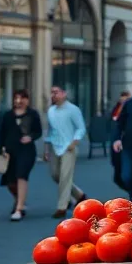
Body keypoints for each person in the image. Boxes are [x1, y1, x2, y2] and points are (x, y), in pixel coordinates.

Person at [0, 90, 42, 220]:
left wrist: (31, 137)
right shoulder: (6, 115)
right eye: (16, 98)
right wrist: (0, 149)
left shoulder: (32, 114)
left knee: (21, 175)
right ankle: (19, 199)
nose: (19, 101)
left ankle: (19, 208)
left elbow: (38, 131)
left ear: (27, 100)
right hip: (10, 152)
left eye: (22, 98)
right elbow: (1, 133)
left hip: (27, 151)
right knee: (10, 182)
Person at [45, 85, 87, 217]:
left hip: (69, 148)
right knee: (55, 175)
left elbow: (81, 127)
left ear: (64, 94)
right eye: (52, 92)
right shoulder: (51, 111)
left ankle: (62, 207)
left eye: (56, 92)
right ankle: (79, 195)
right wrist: (46, 148)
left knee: (65, 177)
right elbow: (50, 130)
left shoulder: (73, 110)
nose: (53, 95)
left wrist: (74, 142)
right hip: (54, 146)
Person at [109, 91, 130, 192]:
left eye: (126, 97)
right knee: (117, 177)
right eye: (122, 97)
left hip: (125, 142)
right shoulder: (117, 107)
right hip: (115, 140)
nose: (123, 99)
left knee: (123, 174)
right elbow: (112, 119)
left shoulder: (131, 109)